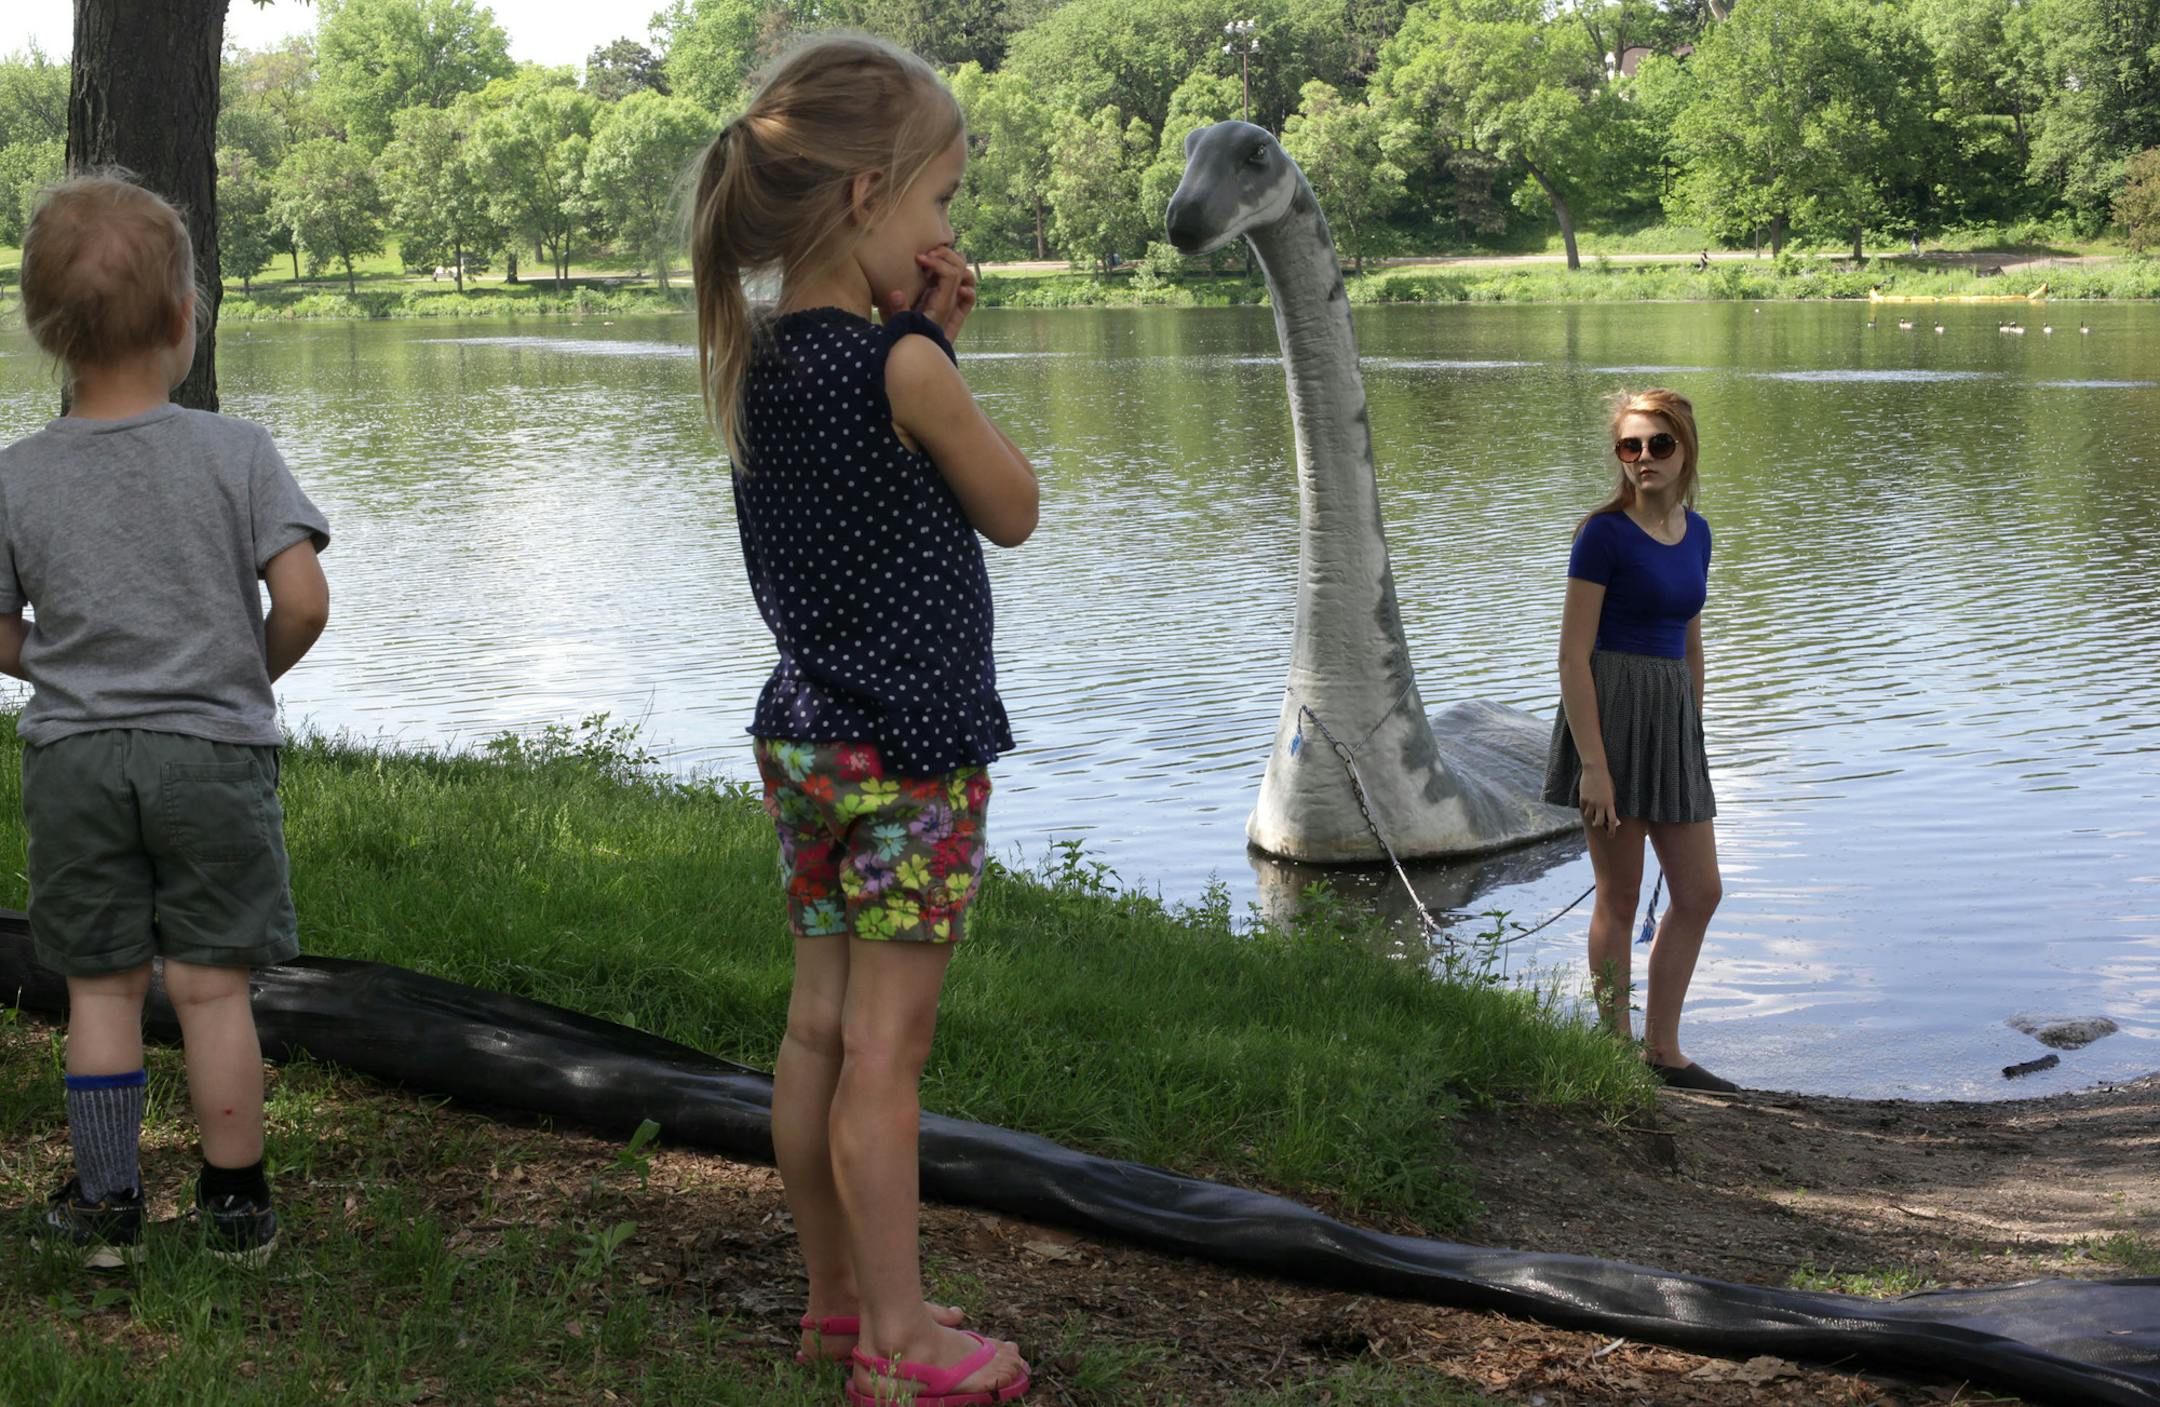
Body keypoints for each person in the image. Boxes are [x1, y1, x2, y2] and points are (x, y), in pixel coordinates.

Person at [688, 33, 1039, 1406]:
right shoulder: (905, 373)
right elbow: (1011, 506)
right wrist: (938, 356)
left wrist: (922, 338)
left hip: (808, 741)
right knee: (888, 1052)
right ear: (867, 196)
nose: (948, 229)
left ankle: (837, 1300)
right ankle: (902, 1341)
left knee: (817, 1032)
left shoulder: (761, 362)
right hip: (913, 754)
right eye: (941, 201)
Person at [2, 172, 331, 1266]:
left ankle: (107, 1208)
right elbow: (304, 601)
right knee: (209, 985)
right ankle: (235, 1203)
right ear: (189, 317)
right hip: (211, 755)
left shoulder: (16, 477)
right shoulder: (236, 453)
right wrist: (248, 677)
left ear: (48, 333)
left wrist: (59, 668)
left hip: (77, 760)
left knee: (100, 984)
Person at [1542, 390, 1737, 1094]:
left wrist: (1693, 728)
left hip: (1671, 721)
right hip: (1612, 715)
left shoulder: (1698, 532)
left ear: (1684, 448)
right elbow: (1571, 655)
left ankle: (1665, 1051)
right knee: (1619, 896)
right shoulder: (1602, 535)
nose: (1644, 459)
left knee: (1700, 891)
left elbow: (1691, 637)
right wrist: (1594, 764)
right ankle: (1615, 1053)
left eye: (1658, 445)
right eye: (1631, 447)